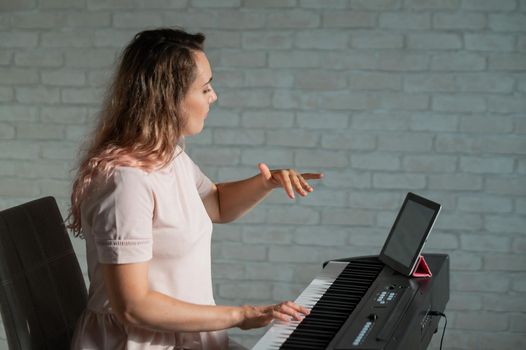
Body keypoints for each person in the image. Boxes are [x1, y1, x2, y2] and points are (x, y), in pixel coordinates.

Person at [67, 27, 323, 350]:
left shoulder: (168, 156)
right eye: (205, 89)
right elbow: (134, 307)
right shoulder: (125, 181)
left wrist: (266, 182)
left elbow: (215, 203)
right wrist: (241, 315)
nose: (213, 96)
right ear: (168, 99)